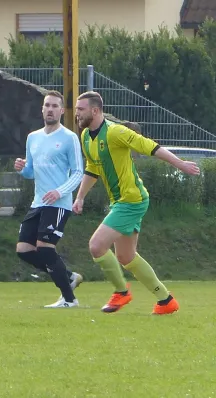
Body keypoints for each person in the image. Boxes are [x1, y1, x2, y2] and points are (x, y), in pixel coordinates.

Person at [73, 91, 201, 314]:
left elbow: (150, 146)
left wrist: (180, 164)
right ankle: (166, 301)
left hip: (131, 200)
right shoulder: (85, 137)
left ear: (95, 110)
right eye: (76, 109)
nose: (76, 113)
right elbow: (92, 168)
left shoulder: (116, 132)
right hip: (120, 202)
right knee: (126, 257)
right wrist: (80, 197)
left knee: (96, 246)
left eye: (80, 109)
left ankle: (122, 293)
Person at [14, 91, 84, 308]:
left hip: (59, 204)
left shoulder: (69, 138)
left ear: (62, 111)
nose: (51, 109)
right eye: (47, 105)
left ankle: (69, 299)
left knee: (45, 247)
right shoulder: (33, 137)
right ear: (42, 109)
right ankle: (69, 276)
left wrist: (59, 192)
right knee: (24, 250)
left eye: (55, 106)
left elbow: (78, 172)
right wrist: (22, 169)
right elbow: (30, 172)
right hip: (38, 202)